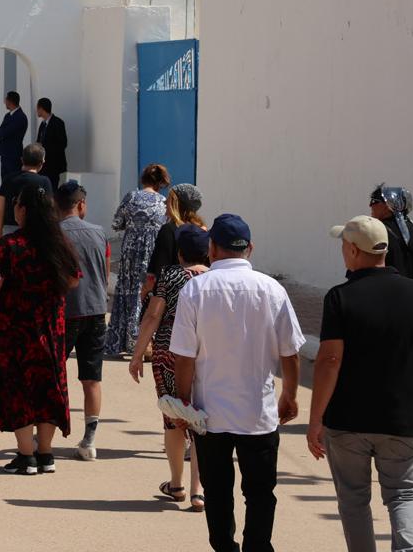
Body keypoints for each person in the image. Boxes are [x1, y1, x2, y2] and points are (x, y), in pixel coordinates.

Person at [307, 216, 413, 552]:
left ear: (354, 251)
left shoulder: (340, 297)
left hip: (347, 421)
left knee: (353, 498)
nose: (342, 251)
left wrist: (316, 419)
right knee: (404, 493)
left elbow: (330, 360)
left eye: (344, 245)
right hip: (402, 421)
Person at [168, 214, 305, 552]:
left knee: (217, 491)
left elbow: (184, 356)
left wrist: (183, 404)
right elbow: (290, 353)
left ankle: (224, 547)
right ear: (250, 248)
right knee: (260, 492)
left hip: (210, 414)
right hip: (258, 413)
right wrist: (289, 395)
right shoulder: (272, 289)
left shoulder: (195, 290)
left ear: (212, 248)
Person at [0, 184, 80, 475]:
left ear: (24, 210)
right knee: (48, 387)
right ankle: (46, 454)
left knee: (19, 387)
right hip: (51, 328)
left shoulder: (9, 245)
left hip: (16, 329)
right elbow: (74, 279)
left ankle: (26, 456)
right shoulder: (59, 243)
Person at [130, 224, 211, 510]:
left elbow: (153, 315)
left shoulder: (171, 275)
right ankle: (198, 490)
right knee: (201, 419)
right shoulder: (214, 278)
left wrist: (137, 354)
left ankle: (176, 484)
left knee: (173, 415)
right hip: (206, 355)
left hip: (169, 353)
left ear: (180, 253)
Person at [56, 180, 107, 461]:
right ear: (81, 204)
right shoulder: (99, 233)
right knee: (92, 379)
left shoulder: (54, 233)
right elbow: (104, 271)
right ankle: (90, 440)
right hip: (96, 310)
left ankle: (46, 431)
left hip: (65, 312)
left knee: (54, 374)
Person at [104, 163, 171, 357]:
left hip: (131, 251)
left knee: (128, 292)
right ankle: (143, 342)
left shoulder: (131, 197)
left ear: (144, 179)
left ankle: (121, 340)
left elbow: (116, 223)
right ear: (160, 183)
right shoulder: (163, 202)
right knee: (147, 293)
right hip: (152, 252)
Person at [144, 183, 205, 294]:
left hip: (171, 295)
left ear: (176, 205)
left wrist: (147, 295)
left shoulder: (168, 230)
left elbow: (161, 270)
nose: (165, 203)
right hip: (197, 292)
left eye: (168, 199)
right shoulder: (202, 231)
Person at [0, 143, 53, 241]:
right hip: (35, 232)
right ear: (41, 162)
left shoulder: (8, 180)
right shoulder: (44, 182)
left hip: (10, 232)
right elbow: (49, 212)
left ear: (22, 159)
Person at [0, 91, 28, 180]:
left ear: (10, 101)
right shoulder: (8, 116)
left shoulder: (20, 117)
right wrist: (0, 132)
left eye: (6, 100)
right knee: (5, 181)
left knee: (13, 181)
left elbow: (5, 132)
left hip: (13, 156)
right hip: (5, 155)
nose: (5, 102)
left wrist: (1, 132)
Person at [34, 98, 68, 189]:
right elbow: (39, 141)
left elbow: (63, 144)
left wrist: (44, 147)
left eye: (37, 108)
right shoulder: (42, 125)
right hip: (43, 166)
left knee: (52, 189)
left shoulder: (58, 123)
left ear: (41, 109)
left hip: (54, 165)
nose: (36, 111)